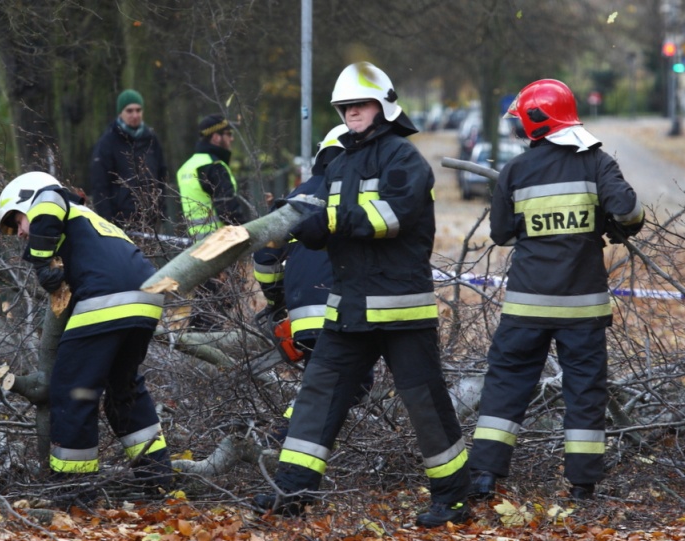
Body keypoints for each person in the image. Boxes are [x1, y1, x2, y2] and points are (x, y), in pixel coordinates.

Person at [251, 62, 471, 528]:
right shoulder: (341, 162)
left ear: (385, 107)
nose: (351, 112)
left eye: (360, 104)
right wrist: (290, 222)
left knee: (425, 405)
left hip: (399, 310)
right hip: (348, 307)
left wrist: (328, 222)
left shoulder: (404, 159)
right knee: (316, 397)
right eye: (345, 106)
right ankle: (291, 490)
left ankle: (452, 498)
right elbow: (317, 217)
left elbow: (390, 217)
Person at [466, 79, 646, 502]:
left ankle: (485, 476)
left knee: (507, 383)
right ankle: (583, 485)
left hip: (526, 304)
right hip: (582, 307)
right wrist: (607, 224)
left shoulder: (515, 171)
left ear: (535, 122)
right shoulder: (597, 162)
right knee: (584, 390)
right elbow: (630, 212)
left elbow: (500, 233)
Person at [0, 171, 174, 503]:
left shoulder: (51, 198)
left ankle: (75, 494)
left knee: (73, 389)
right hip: (148, 298)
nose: (19, 232)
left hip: (105, 300)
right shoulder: (89, 219)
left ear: (28, 200)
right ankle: (158, 480)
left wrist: (41, 264)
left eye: (16, 220)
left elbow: (48, 198)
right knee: (124, 393)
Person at [252, 124, 373, 443]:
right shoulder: (357, 195)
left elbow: (266, 257)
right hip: (340, 309)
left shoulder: (295, 198)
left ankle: (290, 444)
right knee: (345, 386)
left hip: (302, 312)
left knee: (330, 385)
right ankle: (280, 440)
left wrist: (277, 302)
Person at [89, 89, 168, 231]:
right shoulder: (108, 143)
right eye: (129, 111)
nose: (135, 115)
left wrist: (162, 212)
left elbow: (161, 175)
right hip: (122, 222)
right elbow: (100, 185)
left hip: (151, 219)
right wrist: (108, 222)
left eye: (138, 110)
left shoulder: (151, 139)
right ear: (121, 112)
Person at [176, 113, 248, 240]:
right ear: (216, 137)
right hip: (221, 242)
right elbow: (228, 210)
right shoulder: (213, 166)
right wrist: (248, 234)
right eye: (228, 134)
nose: (232, 138)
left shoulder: (186, 168)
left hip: (197, 244)